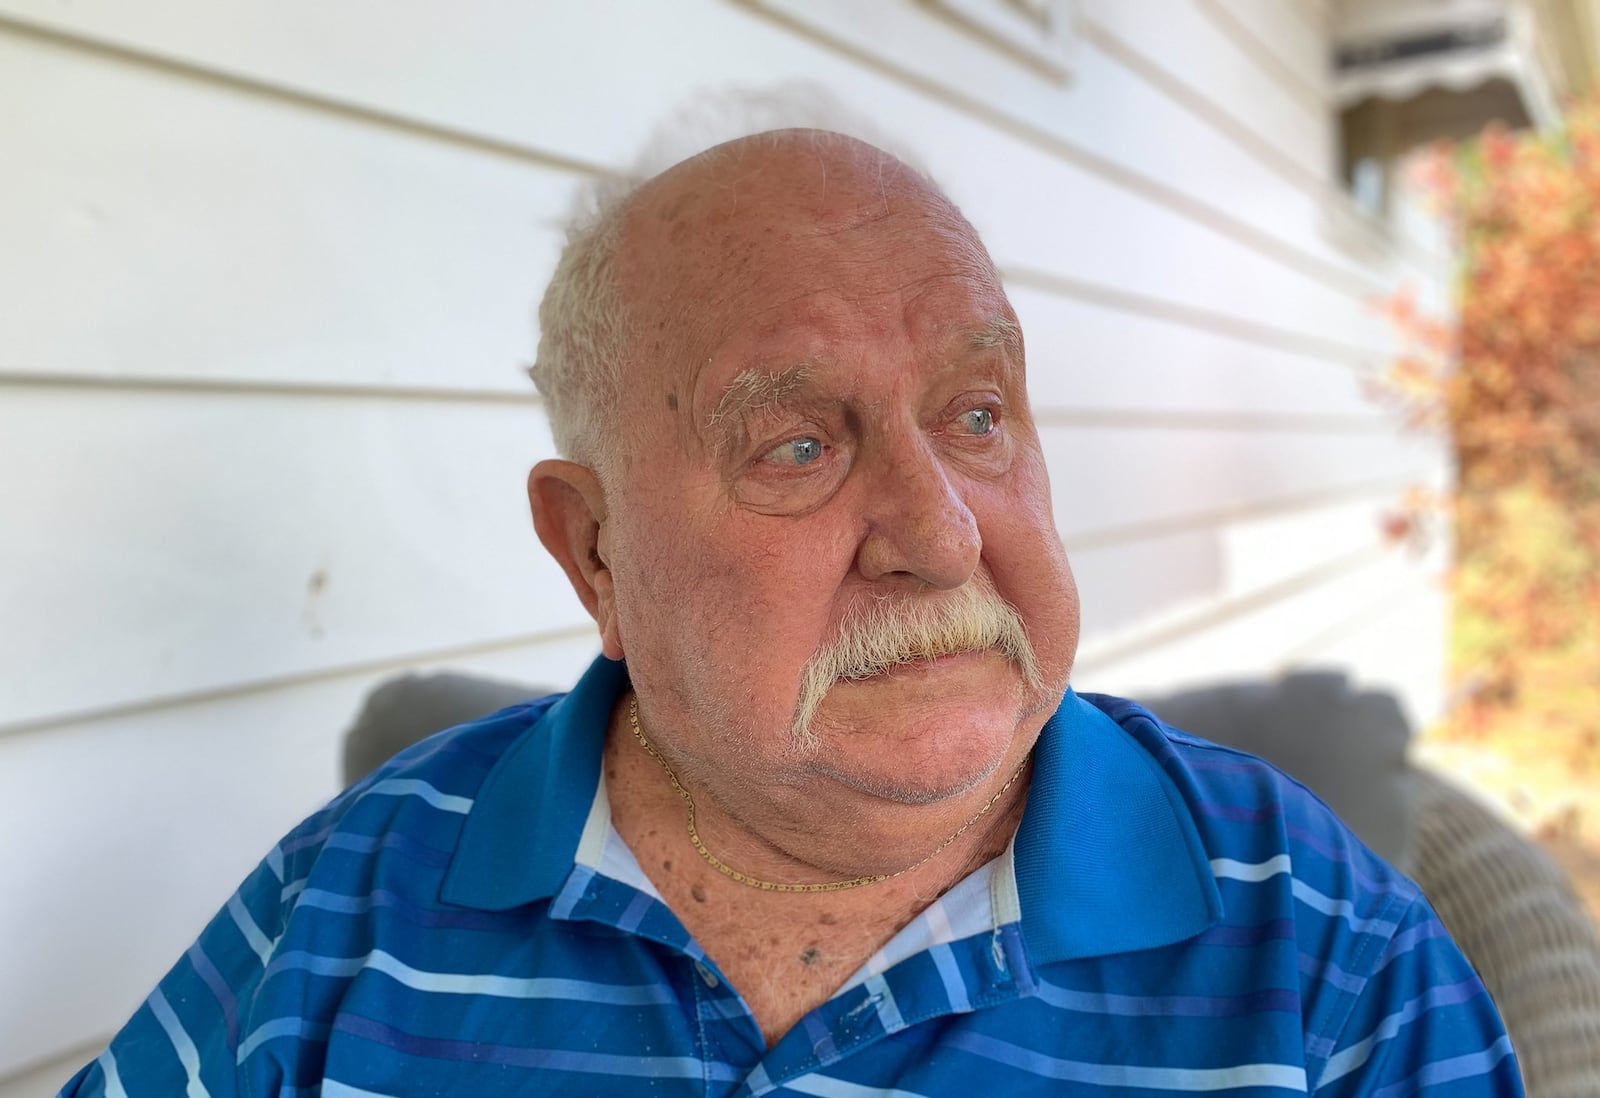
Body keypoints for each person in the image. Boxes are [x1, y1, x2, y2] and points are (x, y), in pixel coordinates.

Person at [61, 129, 1522, 1096]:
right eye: (798, 445)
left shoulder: (1330, 953)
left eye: (974, 412)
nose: (940, 532)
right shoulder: (352, 897)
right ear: (596, 555)